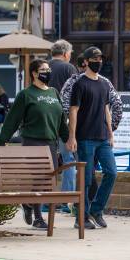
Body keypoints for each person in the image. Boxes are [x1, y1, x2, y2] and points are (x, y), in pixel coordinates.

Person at [0, 59, 69, 230]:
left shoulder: (54, 92)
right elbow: (13, 118)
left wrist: (69, 139)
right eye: (43, 69)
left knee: (47, 179)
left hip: (51, 143)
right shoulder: (26, 94)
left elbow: (61, 120)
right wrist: (3, 140)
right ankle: (38, 217)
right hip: (32, 141)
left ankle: (29, 203)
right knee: (40, 180)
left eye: (48, 69)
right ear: (34, 73)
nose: (47, 72)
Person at [61, 53, 123, 210]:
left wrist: (111, 133)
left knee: (111, 173)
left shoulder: (104, 83)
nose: (98, 62)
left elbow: (107, 109)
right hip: (85, 137)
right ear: (86, 62)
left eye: (100, 59)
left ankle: (96, 210)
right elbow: (72, 110)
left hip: (103, 137)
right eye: (95, 60)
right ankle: (82, 215)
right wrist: (72, 136)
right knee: (87, 179)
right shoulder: (78, 83)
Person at [49, 40, 78, 212]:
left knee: (47, 161)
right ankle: (66, 201)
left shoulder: (43, 67)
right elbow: (75, 96)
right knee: (69, 160)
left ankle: (45, 202)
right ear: (66, 53)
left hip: (45, 120)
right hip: (64, 120)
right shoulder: (69, 69)